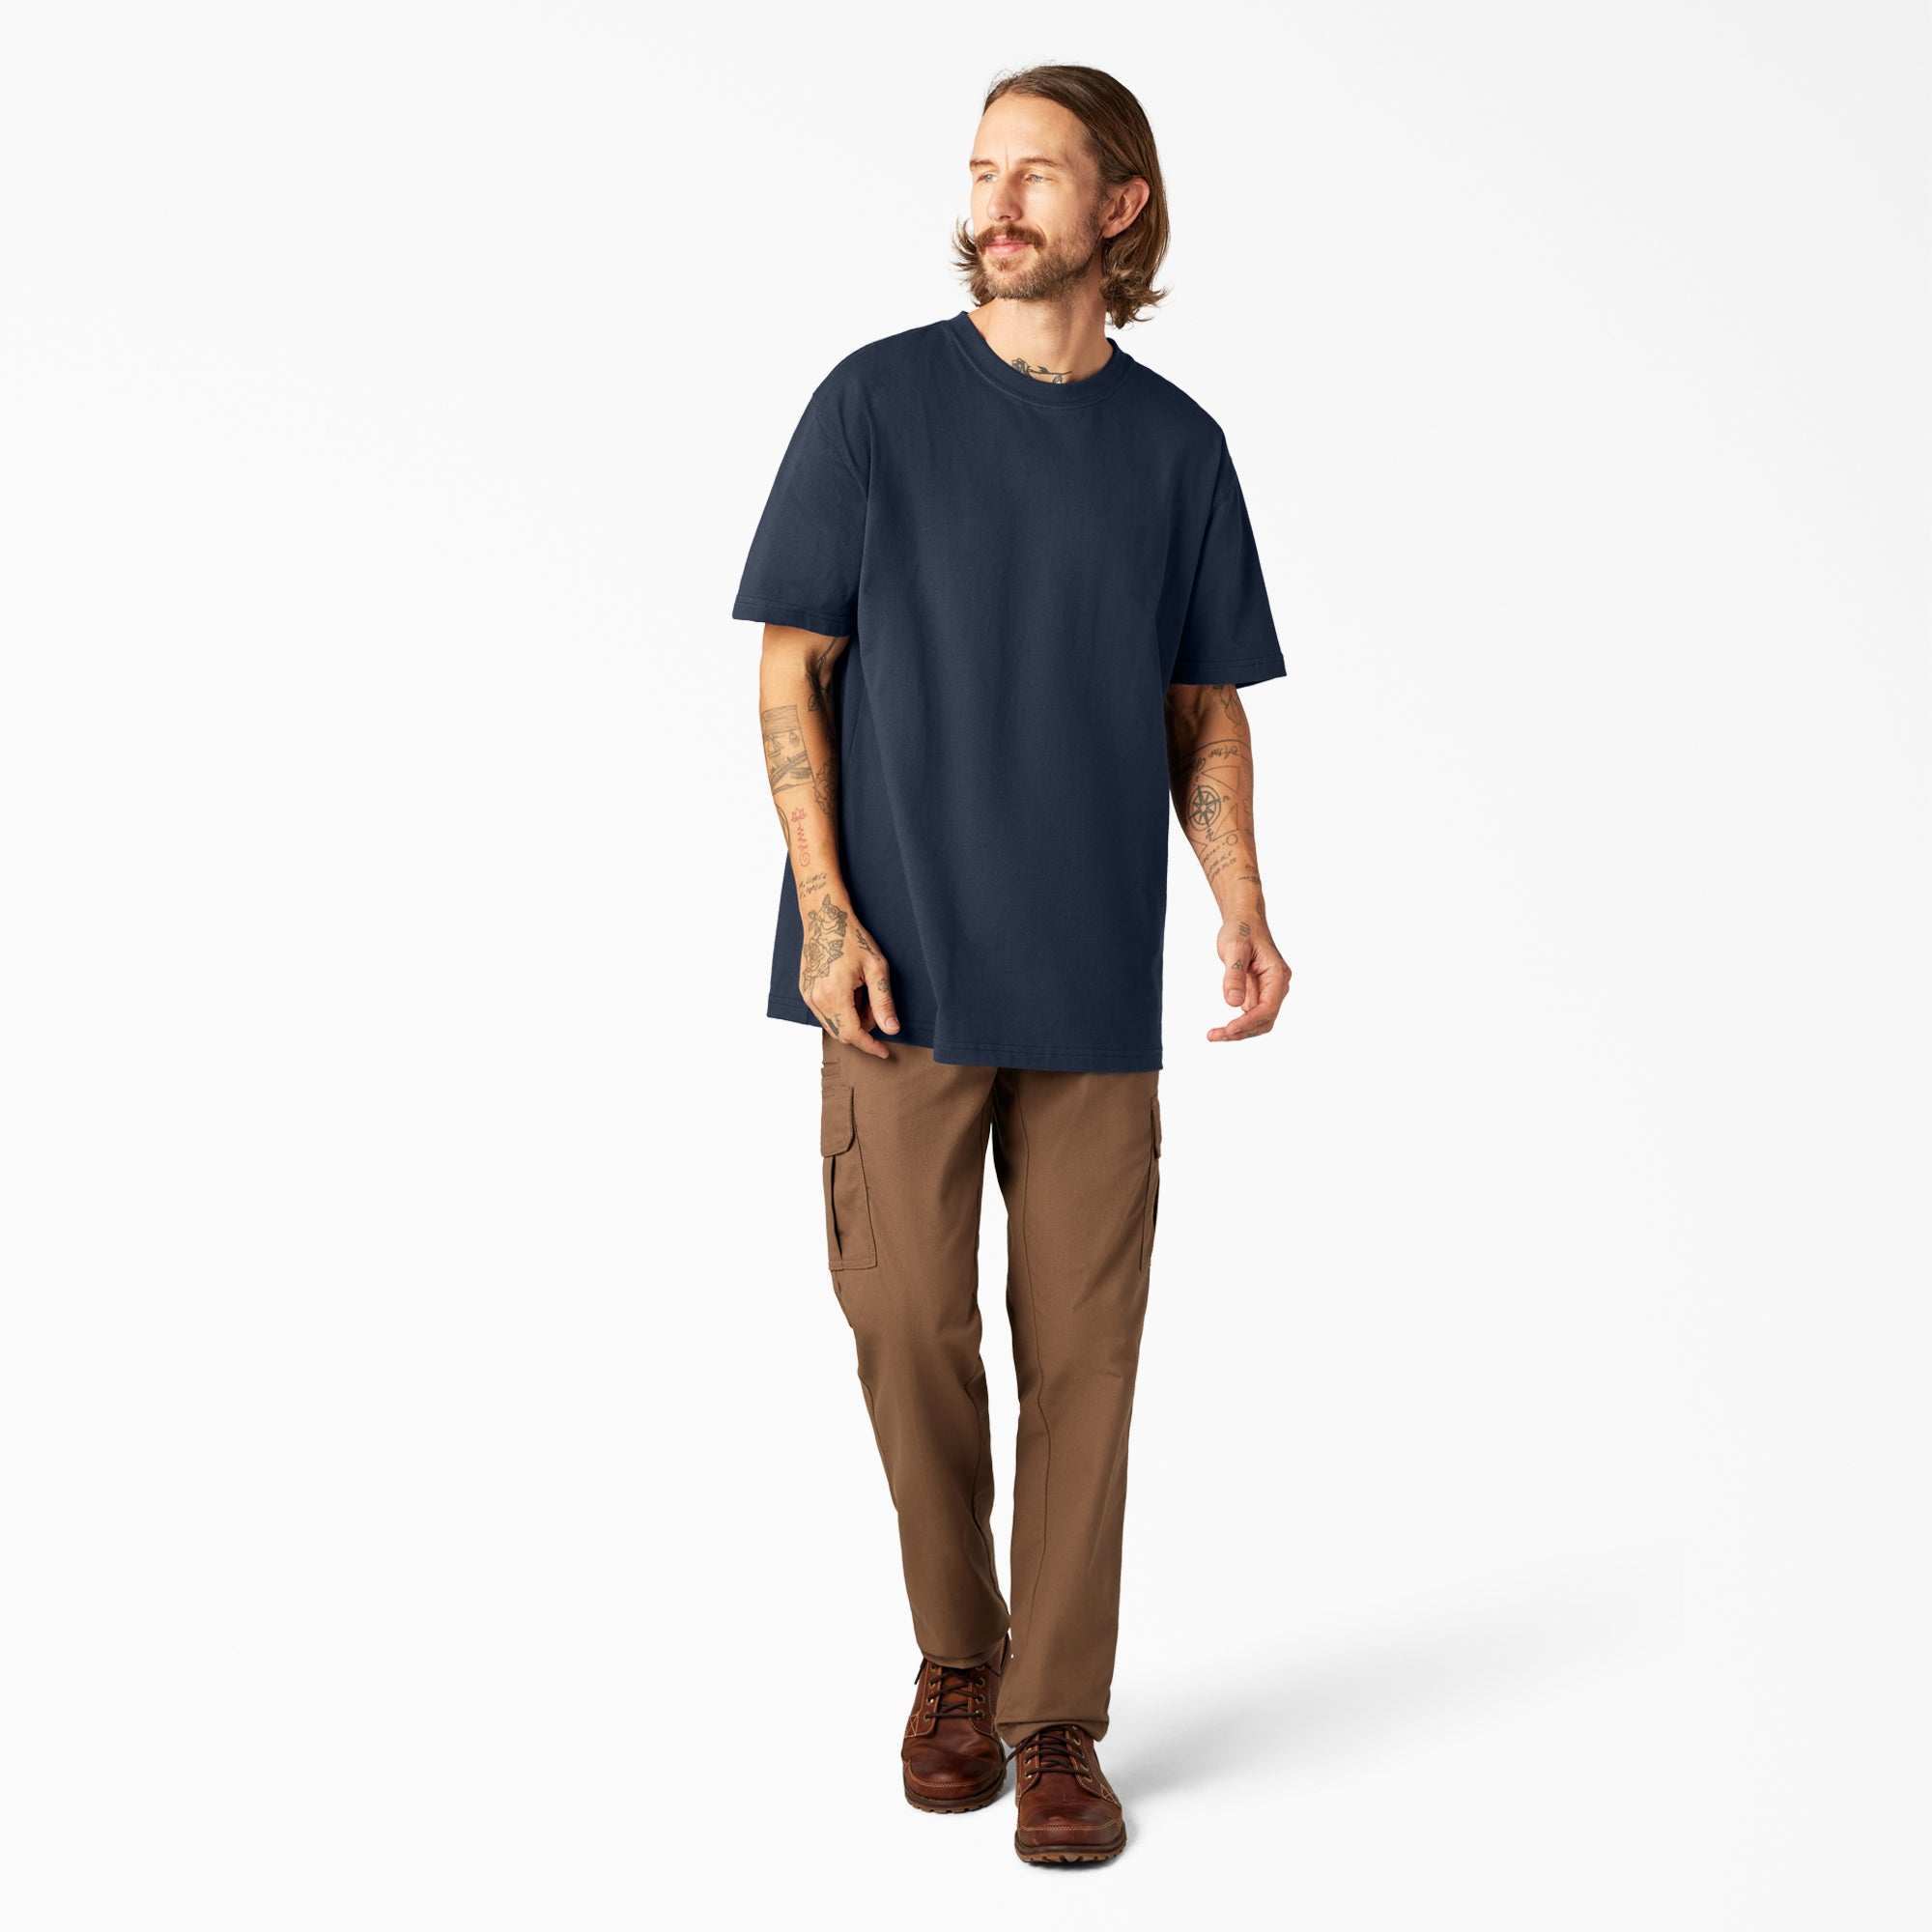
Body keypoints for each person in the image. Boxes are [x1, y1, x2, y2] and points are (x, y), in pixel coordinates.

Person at [730, 62, 1290, 1866]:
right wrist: (826, 910)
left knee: (1087, 1364)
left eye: (1036, 174)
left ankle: (1056, 1722)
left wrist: (1242, 902)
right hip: (893, 970)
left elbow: (1201, 705)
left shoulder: (1178, 450)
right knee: (905, 1328)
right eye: (982, 170)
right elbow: (790, 668)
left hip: (1092, 984)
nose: (996, 201)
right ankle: (955, 1658)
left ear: (1121, 207)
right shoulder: (875, 406)